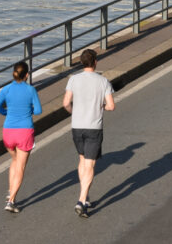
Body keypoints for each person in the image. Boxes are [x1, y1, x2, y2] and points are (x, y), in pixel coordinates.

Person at [63, 48, 115, 218]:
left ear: (81, 62)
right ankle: (81, 199)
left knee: (82, 160)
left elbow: (65, 103)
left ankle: (84, 197)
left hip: (77, 126)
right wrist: (101, 107)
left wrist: (74, 112)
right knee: (90, 164)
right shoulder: (103, 81)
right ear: (95, 62)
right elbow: (111, 106)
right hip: (94, 126)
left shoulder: (73, 80)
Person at [0, 60, 42, 214]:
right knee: (20, 166)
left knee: (14, 161)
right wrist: (28, 111)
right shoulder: (30, 90)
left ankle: (10, 191)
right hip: (24, 132)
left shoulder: (6, 89)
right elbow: (39, 110)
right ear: (27, 75)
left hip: (8, 131)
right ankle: (11, 200)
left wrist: (6, 113)